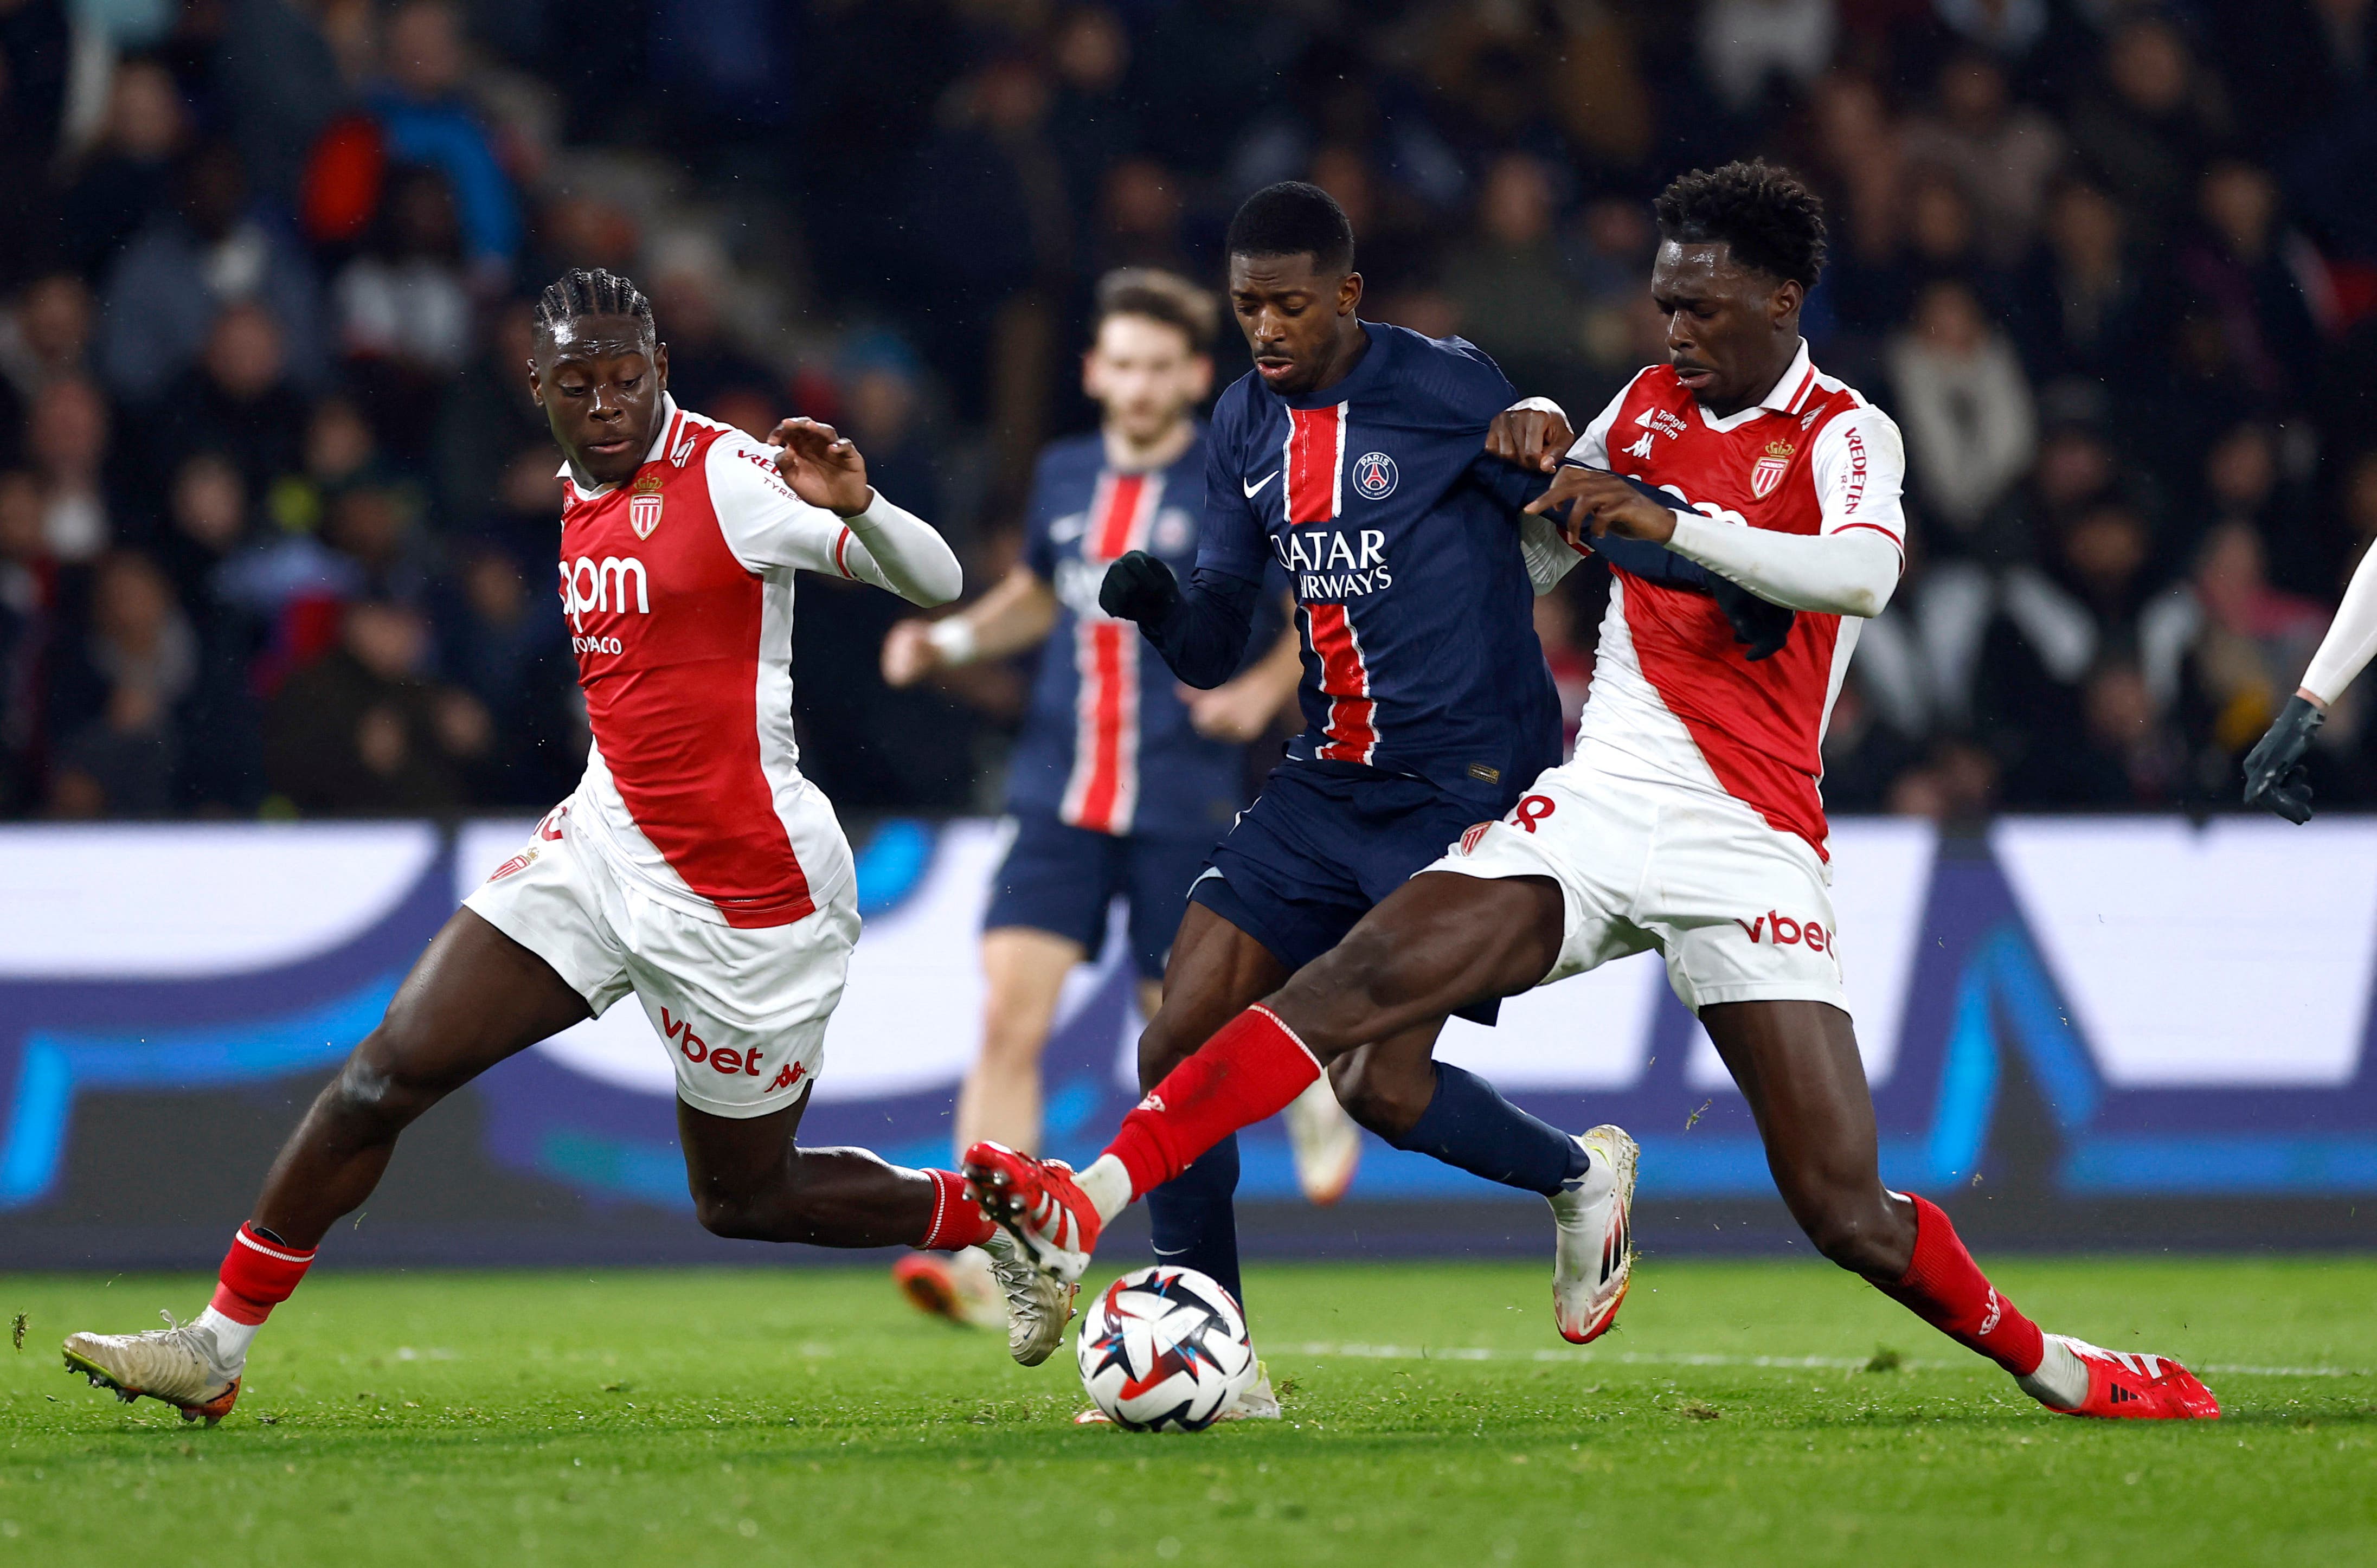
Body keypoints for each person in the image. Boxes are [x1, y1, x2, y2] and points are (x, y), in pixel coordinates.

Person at [969, 164, 2222, 1423]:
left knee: (1845, 1212)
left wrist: (1664, 526)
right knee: (1333, 1002)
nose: (1673, 331)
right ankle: (1089, 1201)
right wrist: (1523, 448)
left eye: (1700, 307)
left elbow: (1857, 579)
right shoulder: (1637, 410)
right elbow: (1531, 537)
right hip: (1600, 804)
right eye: (1663, 305)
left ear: (1784, 299)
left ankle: (2064, 1372)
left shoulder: (1847, 431)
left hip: (1753, 841)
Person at [59, 268, 1068, 1425]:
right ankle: (217, 1346)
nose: (606, 404)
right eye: (577, 384)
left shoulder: (734, 479)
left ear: (660, 372)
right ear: (536, 387)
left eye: (626, 379)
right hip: (601, 847)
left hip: (747, 898)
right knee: (384, 1073)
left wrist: (859, 503)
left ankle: (1000, 1216)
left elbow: (937, 581)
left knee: (744, 1200)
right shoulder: (575, 482)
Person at [972, 181, 1789, 1415]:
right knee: (1172, 1038)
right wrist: (1153, 606)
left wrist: (1725, 577)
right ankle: (1219, 1351)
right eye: (1247, 307)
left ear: (1346, 296)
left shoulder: (1442, 387)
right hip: (1323, 778)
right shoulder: (1243, 423)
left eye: (1289, 306)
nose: (1265, 330)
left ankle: (1577, 1177)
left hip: (1459, 783)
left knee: (1377, 1087)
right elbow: (1211, 643)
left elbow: (1572, 505)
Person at [877, 269, 1327, 1332]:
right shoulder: (1063, 475)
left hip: (1178, 798)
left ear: (1192, 377)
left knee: (1171, 1042)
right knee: (1006, 1019)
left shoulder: (1234, 482)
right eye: (1119, 363)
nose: (1135, 383)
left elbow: (1311, 605)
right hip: (1055, 793)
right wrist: (945, 638)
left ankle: (1305, 1076)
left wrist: (1261, 694)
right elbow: (1039, 595)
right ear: (1092, 370)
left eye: (1157, 366)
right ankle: (996, 1261)